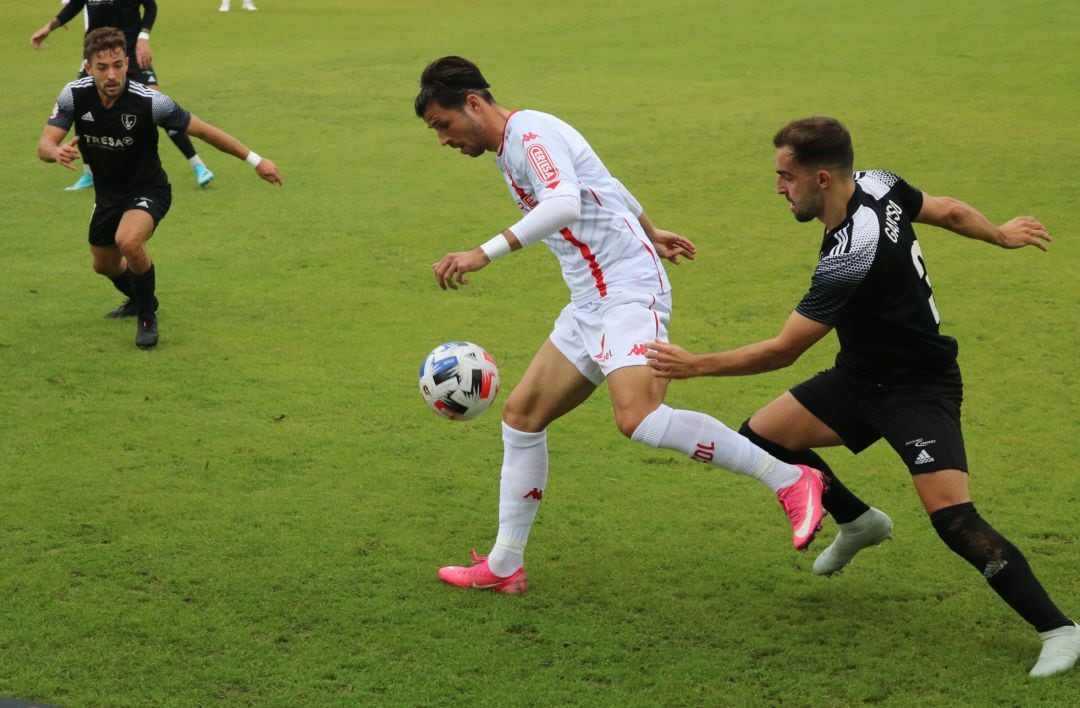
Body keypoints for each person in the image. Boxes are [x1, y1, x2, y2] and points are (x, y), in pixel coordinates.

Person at [646, 116, 1079, 677]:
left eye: (786, 177)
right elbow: (945, 209)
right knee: (763, 437)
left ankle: (1058, 628)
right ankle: (859, 522)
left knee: (954, 520)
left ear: (822, 178)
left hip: (918, 387)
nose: (779, 188)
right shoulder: (877, 181)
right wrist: (1000, 233)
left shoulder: (851, 253)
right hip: (858, 374)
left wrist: (695, 365)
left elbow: (783, 351)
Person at [414, 56, 827, 596]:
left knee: (640, 418)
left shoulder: (530, 133)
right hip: (591, 298)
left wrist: (483, 253)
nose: (442, 140)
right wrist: (651, 229)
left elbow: (564, 202)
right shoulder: (513, 148)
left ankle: (790, 478)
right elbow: (605, 183)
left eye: (442, 125)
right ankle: (504, 563)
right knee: (521, 416)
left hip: (627, 289)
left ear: (472, 103)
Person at [37, 27, 282, 348]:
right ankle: (140, 299)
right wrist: (55, 152)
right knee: (103, 264)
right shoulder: (73, 95)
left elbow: (204, 131)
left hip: (149, 189)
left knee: (130, 242)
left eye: (118, 65)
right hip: (109, 194)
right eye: (102, 67)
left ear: (127, 62)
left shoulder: (150, 101)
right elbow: (44, 144)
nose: (111, 74)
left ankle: (147, 316)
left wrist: (256, 160)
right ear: (88, 67)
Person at [31, 1, 217, 193]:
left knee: (160, 107)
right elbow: (75, 5)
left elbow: (151, 6)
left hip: (130, 52)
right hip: (98, 56)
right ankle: (89, 173)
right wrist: (49, 27)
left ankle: (197, 165)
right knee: (82, 107)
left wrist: (143, 37)